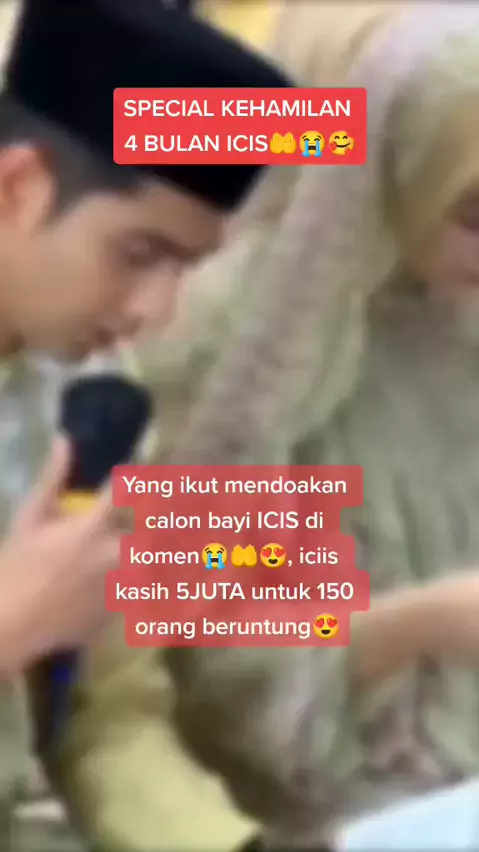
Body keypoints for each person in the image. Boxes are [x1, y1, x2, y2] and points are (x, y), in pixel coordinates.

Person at [132, 2, 479, 850]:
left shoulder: (453, 311)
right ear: (396, 166)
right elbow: (206, 659)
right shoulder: (241, 345)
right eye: (475, 213)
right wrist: (423, 621)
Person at [0, 1, 290, 850]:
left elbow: (111, 712)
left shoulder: (95, 402)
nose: (157, 312)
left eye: (185, 268)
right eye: (139, 254)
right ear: (17, 190)